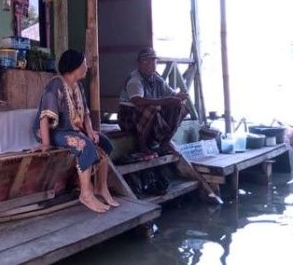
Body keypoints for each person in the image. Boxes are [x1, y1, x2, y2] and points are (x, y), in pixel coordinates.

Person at [32, 49, 119, 213]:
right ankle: (86, 194)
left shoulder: (78, 86)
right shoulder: (55, 85)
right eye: (84, 63)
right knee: (83, 145)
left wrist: (91, 132)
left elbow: (85, 113)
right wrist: (45, 144)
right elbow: (44, 117)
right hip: (55, 131)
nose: (87, 67)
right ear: (75, 66)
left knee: (103, 142)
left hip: (73, 130)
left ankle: (101, 187)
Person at [118, 48, 189, 154]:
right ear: (139, 64)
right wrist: (165, 101)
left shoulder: (157, 78)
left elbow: (171, 95)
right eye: (146, 61)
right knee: (152, 108)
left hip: (147, 118)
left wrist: (180, 96)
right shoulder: (135, 80)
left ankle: (164, 142)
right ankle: (142, 145)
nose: (151, 65)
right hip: (129, 119)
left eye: (153, 61)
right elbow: (137, 101)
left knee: (180, 108)